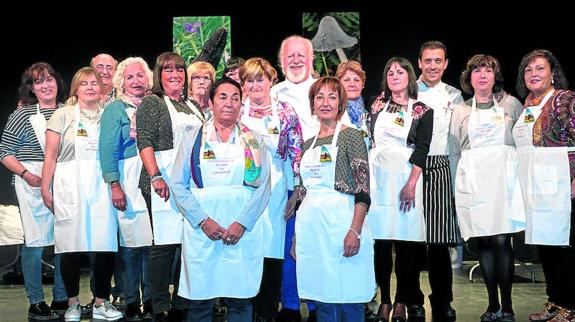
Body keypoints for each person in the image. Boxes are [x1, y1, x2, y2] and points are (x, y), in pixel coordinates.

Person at [171, 77, 271, 322]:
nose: (229, 103)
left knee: (240, 300)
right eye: (223, 97)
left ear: (241, 104)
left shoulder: (254, 140)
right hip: (203, 231)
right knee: (201, 302)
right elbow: (178, 185)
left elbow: (263, 188)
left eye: (236, 98)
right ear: (211, 103)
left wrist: (242, 223)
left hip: (241, 230)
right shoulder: (193, 137)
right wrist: (203, 221)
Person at [40, 67, 123, 322]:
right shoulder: (62, 115)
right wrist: (45, 187)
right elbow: (51, 155)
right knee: (70, 246)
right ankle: (73, 303)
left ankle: (100, 302)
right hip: (70, 185)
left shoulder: (107, 116)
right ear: (76, 88)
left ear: (101, 89)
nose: (90, 87)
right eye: (84, 83)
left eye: (94, 83)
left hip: (101, 184)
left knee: (105, 245)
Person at [288, 76, 374, 322]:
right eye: (319, 96)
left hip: (342, 223)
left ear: (341, 103)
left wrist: (355, 231)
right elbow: (303, 193)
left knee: (349, 298)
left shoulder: (352, 137)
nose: (325, 102)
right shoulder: (306, 146)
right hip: (313, 229)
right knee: (322, 298)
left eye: (332, 96)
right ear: (312, 104)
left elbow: (363, 190)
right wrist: (297, 237)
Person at [450, 54, 525, 322]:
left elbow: (521, 143)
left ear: (495, 76)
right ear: (469, 78)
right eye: (476, 71)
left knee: (502, 240)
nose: (482, 75)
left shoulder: (511, 105)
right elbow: (455, 150)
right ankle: (491, 305)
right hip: (474, 182)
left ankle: (508, 306)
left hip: (502, 182)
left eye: (488, 70)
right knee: (483, 242)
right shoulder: (460, 110)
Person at [136, 52, 205, 322]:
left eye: (179, 69)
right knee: (163, 246)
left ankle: (181, 302)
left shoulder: (193, 106)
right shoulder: (151, 103)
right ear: (159, 75)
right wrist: (155, 176)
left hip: (189, 184)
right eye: (168, 70)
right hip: (161, 181)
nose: (175, 74)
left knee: (187, 244)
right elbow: (145, 142)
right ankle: (159, 305)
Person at [368, 57, 433, 322]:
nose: (395, 76)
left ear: (410, 76)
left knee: (406, 246)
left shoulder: (423, 110)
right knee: (381, 244)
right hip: (378, 180)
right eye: (390, 72)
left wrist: (411, 183)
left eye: (400, 71)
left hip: (407, 179)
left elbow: (422, 148)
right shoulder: (376, 105)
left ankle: (401, 302)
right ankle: (384, 299)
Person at [0, 62, 67, 320]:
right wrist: (27, 175)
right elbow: (5, 153)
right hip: (32, 181)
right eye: (39, 81)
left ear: (57, 83)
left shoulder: (69, 111)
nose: (46, 84)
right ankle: (36, 300)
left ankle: (61, 297)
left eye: (49, 79)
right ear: (31, 88)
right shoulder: (22, 115)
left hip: (65, 180)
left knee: (65, 241)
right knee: (35, 242)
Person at [239, 58, 303, 321]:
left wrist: (297, 190)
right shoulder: (235, 110)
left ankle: (267, 310)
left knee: (273, 248)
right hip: (241, 188)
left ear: (271, 81)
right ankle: (245, 308)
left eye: (260, 79)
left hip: (276, 187)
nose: (255, 85)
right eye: (250, 80)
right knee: (245, 247)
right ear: (243, 84)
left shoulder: (286, 112)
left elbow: (296, 152)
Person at [513, 49, 575, 322]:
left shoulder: (563, 99)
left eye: (539, 68)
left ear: (552, 74)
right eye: (528, 69)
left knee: (563, 246)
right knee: (545, 245)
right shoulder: (527, 104)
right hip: (533, 184)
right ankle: (555, 301)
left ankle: (570, 306)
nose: (533, 74)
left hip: (561, 182)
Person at [99, 57, 154, 321]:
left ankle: (152, 300)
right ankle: (131, 301)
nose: (136, 81)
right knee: (131, 245)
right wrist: (115, 185)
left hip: (153, 179)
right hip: (128, 179)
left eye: (140, 76)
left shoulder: (156, 105)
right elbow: (107, 150)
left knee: (151, 244)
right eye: (130, 77)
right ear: (121, 81)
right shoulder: (115, 110)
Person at [271, 34, 318, 322]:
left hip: (319, 181)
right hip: (286, 182)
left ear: (311, 60)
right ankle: (289, 305)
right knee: (286, 246)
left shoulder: (325, 89)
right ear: (281, 61)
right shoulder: (273, 93)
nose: (296, 60)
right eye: (290, 56)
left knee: (313, 244)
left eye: (301, 55)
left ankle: (315, 306)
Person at [417, 40, 463, 321]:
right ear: (419, 63)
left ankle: (442, 301)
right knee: (409, 241)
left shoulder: (455, 96)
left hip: (441, 168)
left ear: (445, 64)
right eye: (428, 61)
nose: (432, 66)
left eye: (438, 61)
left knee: (438, 242)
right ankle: (411, 301)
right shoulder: (407, 91)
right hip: (410, 169)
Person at [336, 60, 370, 148]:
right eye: (346, 80)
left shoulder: (371, 109)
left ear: (363, 84)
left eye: (356, 80)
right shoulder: (332, 111)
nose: (352, 84)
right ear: (339, 84)